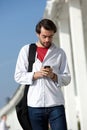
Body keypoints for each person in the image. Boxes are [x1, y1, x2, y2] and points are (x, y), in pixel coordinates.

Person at [14, 19, 71, 130]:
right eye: (44, 36)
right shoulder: (26, 51)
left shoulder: (59, 53)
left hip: (56, 104)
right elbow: (18, 76)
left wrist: (53, 76)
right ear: (37, 34)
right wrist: (36, 74)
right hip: (34, 106)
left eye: (50, 36)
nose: (47, 40)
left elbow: (67, 78)